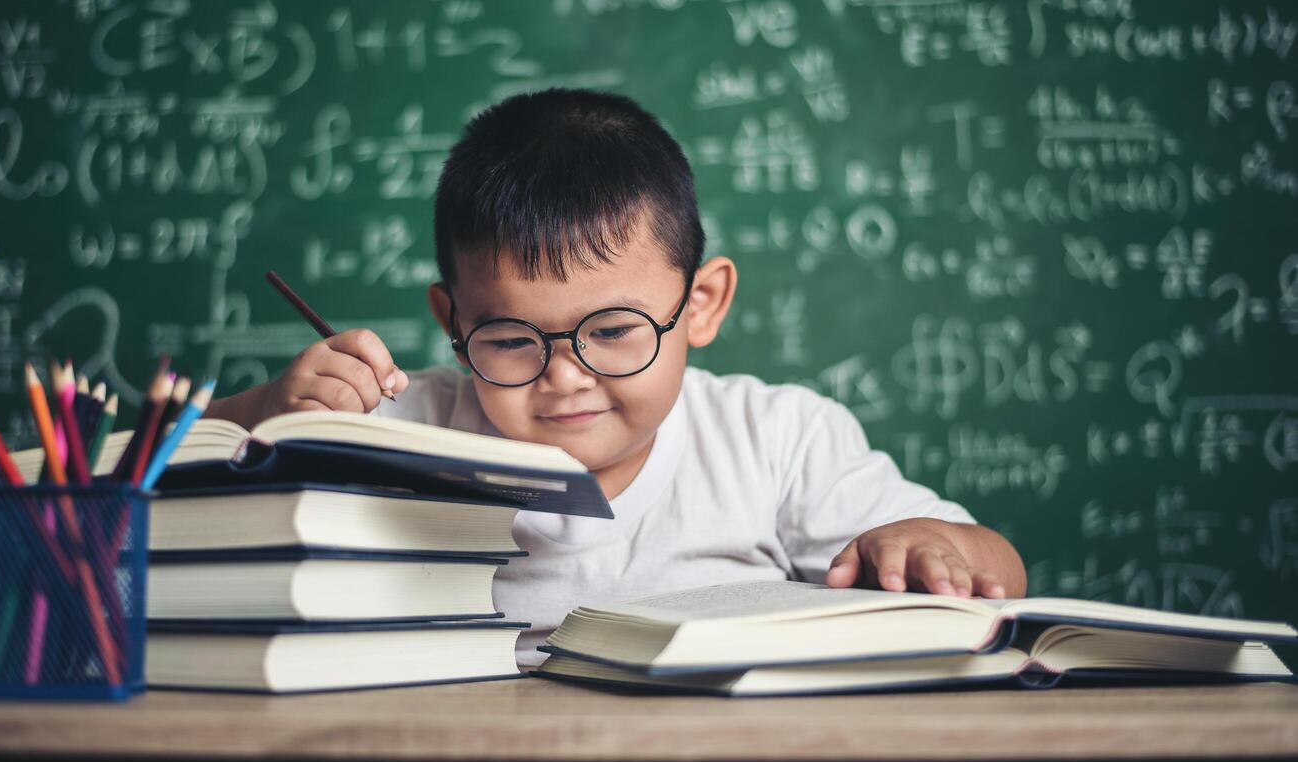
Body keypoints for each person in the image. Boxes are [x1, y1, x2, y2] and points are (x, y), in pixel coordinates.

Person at [207, 89, 1026, 665]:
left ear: (700, 304)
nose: (565, 377)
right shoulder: (390, 425)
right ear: (452, 323)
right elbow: (153, 470)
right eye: (511, 339)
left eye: (610, 331)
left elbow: (998, 570)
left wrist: (935, 546)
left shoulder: (777, 440)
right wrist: (273, 412)